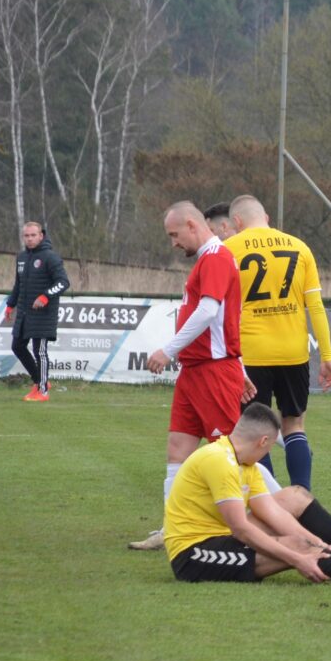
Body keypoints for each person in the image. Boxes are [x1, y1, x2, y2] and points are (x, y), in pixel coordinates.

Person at [165, 403, 331, 587]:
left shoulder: (246, 464)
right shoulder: (220, 461)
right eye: (270, 446)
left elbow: (273, 513)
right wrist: (299, 558)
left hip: (222, 536)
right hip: (193, 554)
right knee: (297, 547)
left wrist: (318, 543)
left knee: (295, 497)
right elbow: (241, 529)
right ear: (263, 441)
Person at [128, 201, 255, 550]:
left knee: (231, 452)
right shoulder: (206, 260)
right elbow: (226, 320)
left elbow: (209, 312)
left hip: (213, 371)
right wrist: (241, 367)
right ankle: (173, 530)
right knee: (177, 449)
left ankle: (263, 523)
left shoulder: (216, 257)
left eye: (174, 234)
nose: (173, 243)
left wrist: (167, 350)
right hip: (194, 371)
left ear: (191, 225)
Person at [223, 194, 331, 490]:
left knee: (255, 430)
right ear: (266, 218)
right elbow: (316, 307)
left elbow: (220, 310)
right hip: (293, 353)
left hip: (251, 354)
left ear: (237, 222)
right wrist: (327, 356)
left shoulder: (228, 249)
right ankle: (302, 496)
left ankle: (268, 499)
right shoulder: (299, 247)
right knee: (294, 425)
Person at [3, 222, 70, 401]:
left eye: (33, 235)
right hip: (24, 313)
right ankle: (40, 381)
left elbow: (63, 282)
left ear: (41, 236)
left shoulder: (50, 257)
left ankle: (43, 391)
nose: (30, 239)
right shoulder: (22, 257)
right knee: (17, 346)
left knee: (39, 351)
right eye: (27, 236)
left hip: (43, 315)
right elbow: (18, 285)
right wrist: (10, 305)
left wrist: (45, 296)